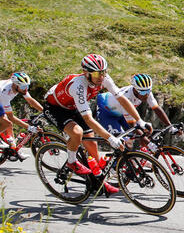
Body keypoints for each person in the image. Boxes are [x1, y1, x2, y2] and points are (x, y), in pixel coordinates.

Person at [43, 54, 152, 194]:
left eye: (103, 72)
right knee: (77, 133)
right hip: (56, 108)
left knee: (92, 145)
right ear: (86, 73)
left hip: (73, 107)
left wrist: (139, 120)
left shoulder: (104, 78)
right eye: (96, 73)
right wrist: (110, 138)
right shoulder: (79, 86)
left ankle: (97, 182)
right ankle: (71, 161)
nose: (101, 77)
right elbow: (88, 119)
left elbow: (122, 99)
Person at [96, 73, 176, 140]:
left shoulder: (145, 90)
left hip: (122, 113)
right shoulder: (127, 97)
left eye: (148, 91)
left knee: (134, 140)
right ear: (135, 90)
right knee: (123, 142)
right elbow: (132, 124)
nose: (146, 95)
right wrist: (147, 142)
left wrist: (170, 126)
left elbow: (157, 109)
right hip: (107, 112)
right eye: (143, 93)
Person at [0, 72, 43, 160]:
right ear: (15, 85)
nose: (26, 89)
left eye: (27, 86)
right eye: (24, 87)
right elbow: (11, 117)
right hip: (1, 98)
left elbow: (30, 100)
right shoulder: (5, 93)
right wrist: (30, 128)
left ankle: (13, 149)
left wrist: (45, 111)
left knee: (9, 125)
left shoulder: (21, 87)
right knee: (7, 123)